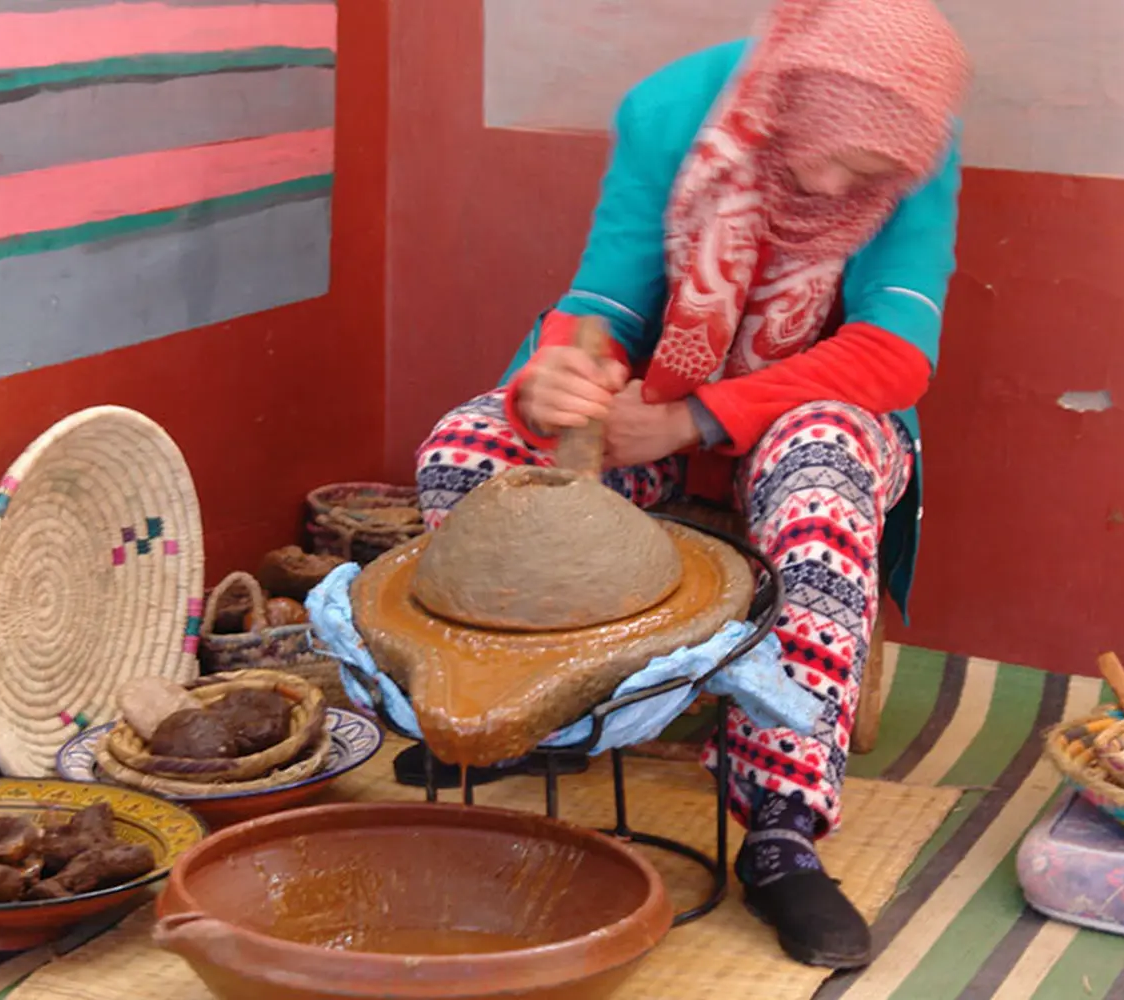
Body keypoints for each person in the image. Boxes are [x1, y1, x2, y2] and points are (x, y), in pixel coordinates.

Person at [415, 0, 969, 970]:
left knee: (822, 463)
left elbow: (895, 352)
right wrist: (557, 383)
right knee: (469, 453)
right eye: (824, 155)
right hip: (658, 396)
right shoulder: (669, 112)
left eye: (868, 177)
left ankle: (782, 826)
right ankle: (527, 713)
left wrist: (700, 419)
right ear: (782, 103)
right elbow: (606, 302)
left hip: (811, 411)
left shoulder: (918, 140)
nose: (838, 185)